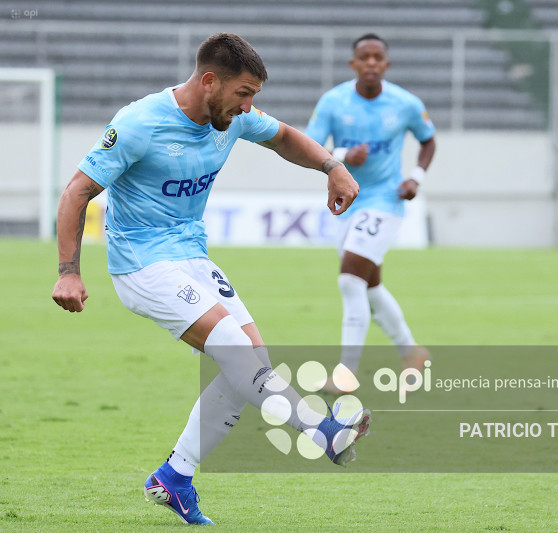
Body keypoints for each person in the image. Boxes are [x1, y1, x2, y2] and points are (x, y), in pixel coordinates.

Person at [51, 33, 370, 526]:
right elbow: (76, 192)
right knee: (238, 353)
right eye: (243, 93)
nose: (248, 106)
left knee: (250, 362)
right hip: (142, 263)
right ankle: (320, 430)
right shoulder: (140, 123)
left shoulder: (233, 118)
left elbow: (284, 136)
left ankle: (174, 477)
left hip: (191, 256)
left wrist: (331, 166)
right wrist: (69, 273)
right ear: (208, 81)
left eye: (253, 96)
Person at [305, 33, 436, 394]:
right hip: (347, 201)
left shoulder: (406, 104)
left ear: (386, 65)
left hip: (385, 201)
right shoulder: (333, 102)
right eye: (365, 57)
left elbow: (428, 139)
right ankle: (413, 352)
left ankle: (346, 374)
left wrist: (416, 178)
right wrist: (345, 156)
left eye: (378, 57)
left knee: (349, 280)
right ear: (353, 64)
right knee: (370, 286)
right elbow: (311, 146)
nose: (372, 63)